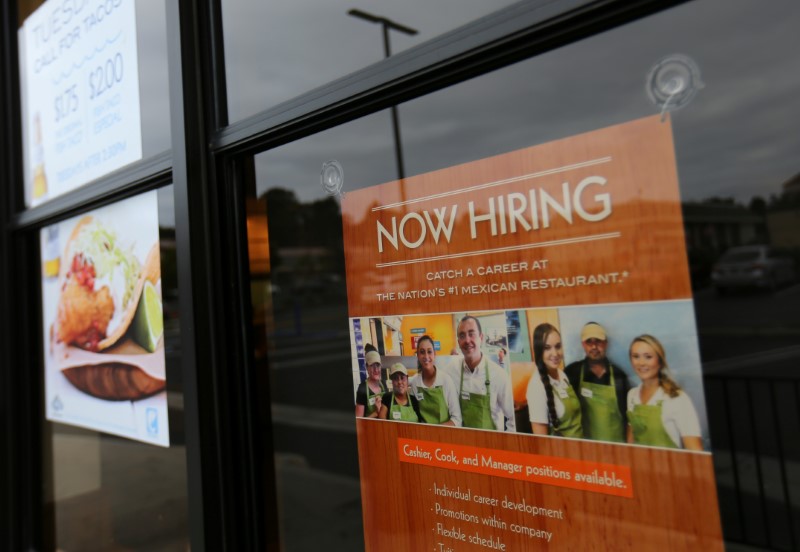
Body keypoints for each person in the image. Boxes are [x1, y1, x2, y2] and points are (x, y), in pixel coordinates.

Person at [626, 335, 703, 450]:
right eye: (636, 356)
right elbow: (630, 444)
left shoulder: (677, 398)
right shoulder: (632, 395)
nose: (641, 363)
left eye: (648, 357)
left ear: (660, 361)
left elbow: (695, 453)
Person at [564, 322, 631, 442]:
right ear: (583, 344)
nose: (594, 346)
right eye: (589, 341)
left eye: (598, 341)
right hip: (585, 449)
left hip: (616, 449)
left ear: (606, 344)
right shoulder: (572, 373)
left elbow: (629, 422)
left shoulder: (619, 376)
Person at [456, 315, 515, 431]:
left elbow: (512, 418)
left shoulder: (499, 375)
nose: (467, 340)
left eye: (471, 333)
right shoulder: (453, 372)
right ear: (458, 342)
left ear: (481, 337)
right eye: (462, 336)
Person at [526, 323, 582, 437]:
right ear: (538, 351)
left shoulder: (562, 375)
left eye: (558, 346)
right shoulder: (536, 388)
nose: (555, 353)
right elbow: (542, 441)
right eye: (547, 348)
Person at [408, 335, 462, 426]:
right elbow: (414, 416)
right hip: (423, 436)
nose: (426, 356)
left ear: (434, 354)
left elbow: (457, 419)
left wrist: (435, 431)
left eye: (429, 352)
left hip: (444, 435)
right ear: (417, 355)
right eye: (422, 352)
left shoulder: (446, 380)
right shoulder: (415, 383)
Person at [355, 350, 385, 418]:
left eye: (378, 365)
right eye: (372, 366)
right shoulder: (362, 389)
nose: (376, 369)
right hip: (369, 428)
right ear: (366, 367)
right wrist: (376, 413)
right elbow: (359, 422)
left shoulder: (383, 384)